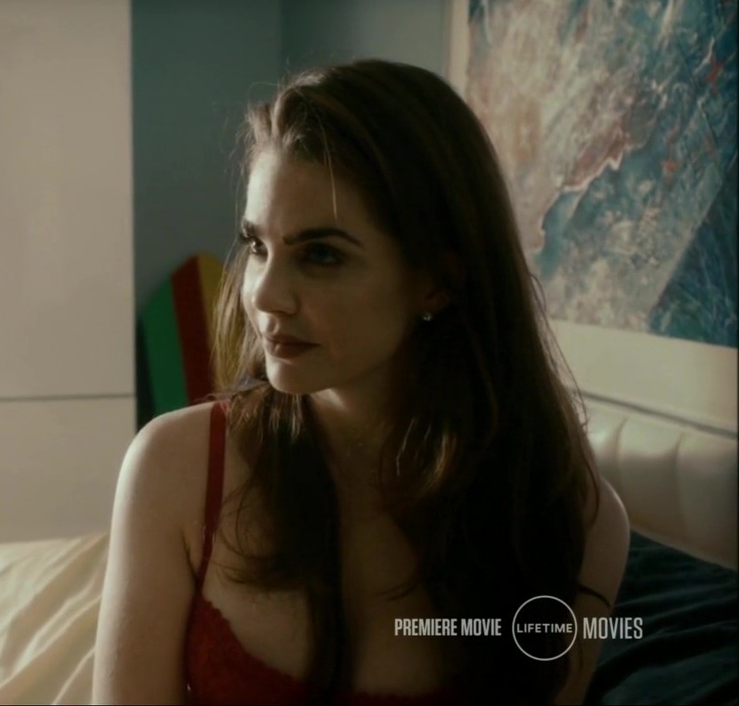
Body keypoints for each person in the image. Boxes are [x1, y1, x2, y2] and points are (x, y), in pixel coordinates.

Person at [92, 60, 630, 706]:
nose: (264, 294)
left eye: (321, 255)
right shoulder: (174, 470)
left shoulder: (571, 521)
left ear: (436, 281)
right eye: (257, 246)